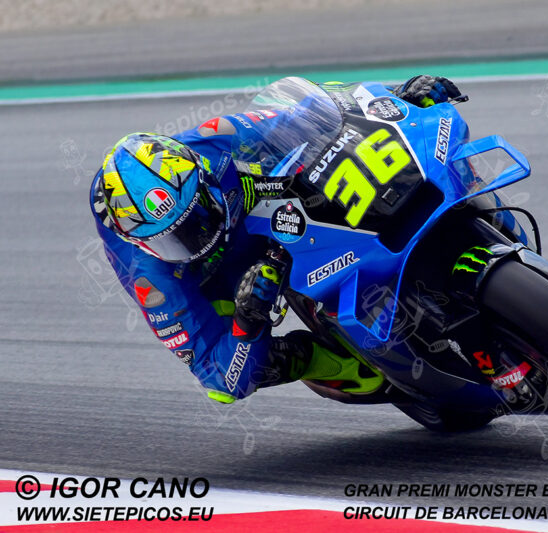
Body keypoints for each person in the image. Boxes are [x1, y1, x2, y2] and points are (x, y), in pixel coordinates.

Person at [90, 75, 462, 404]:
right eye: (175, 237)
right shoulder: (150, 276)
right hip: (219, 277)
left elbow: (316, 114)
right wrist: (248, 319)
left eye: (197, 216)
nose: (196, 236)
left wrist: (397, 97)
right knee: (249, 366)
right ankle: (337, 362)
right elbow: (219, 379)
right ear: (141, 242)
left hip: (268, 215)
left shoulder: (216, 143)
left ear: (202, 177)